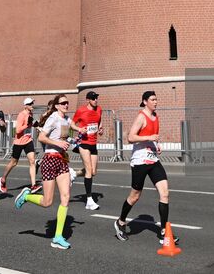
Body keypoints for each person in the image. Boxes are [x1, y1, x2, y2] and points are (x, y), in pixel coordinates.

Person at [114, 90, 178, 253]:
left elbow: (153, 137)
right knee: (135, 196)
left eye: (156, 99)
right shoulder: (141, 116)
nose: (155, 102)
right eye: (152, 99)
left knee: (165, 193)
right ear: (144, 102)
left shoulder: (156, 117)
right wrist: (149, 138)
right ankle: (120, 222)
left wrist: (156, 145)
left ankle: (163, 230)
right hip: (140, 161)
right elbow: (131, 137)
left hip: (153, 160)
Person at [13, 95, 77, 250]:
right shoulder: (53, 118)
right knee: (47, 202)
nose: (66, 104)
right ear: (56, 106)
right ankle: (26, 196)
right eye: (63, 103)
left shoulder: (66, 120)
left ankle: (57, 237)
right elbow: (42, 137)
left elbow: (73, 129)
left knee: (66, 196)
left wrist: (82, 131)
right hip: (49, 160)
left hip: (62, 160)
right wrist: (58, 143)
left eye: (67, 102)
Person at [70, 90, 103, 210]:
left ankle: (74, 173)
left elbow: (99, 122)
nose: (95, 100)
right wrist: (79, 129)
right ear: (88, 100)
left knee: (93, 172)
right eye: (93, 98)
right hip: (84, 143)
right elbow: (72, 124)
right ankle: (89, 200)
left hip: (93, 143)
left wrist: (100, 129)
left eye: (96, 98)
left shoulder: (99, 109)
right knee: (89, 171)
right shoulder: (81, 110)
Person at [0, 97, 38, 195]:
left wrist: (34, 125)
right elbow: (17, 130)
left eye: (32, 103)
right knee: (13, 163)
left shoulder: (30, 114)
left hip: (28, 140)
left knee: (32, 161)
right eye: (29, 104)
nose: (31, 105)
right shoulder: (21, 115)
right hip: (19, 142)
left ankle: (33, 185)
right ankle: (3, 179)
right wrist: (27, 125)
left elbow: (29, 125)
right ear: (25, 106)